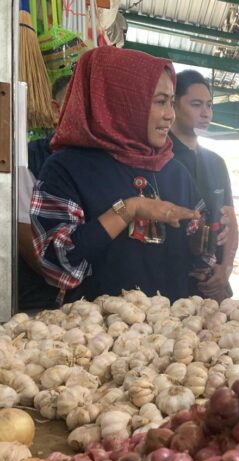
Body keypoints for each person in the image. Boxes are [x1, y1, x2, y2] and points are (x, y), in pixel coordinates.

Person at [32, 46, 210, 303]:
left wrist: (206, 236)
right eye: (160, 102)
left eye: (171, 102)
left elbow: (196, 262)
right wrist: (128, 209)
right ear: (120, 101)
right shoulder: (67, 167)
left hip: (170, 337)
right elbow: (57, 266)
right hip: (96, 336)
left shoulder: (174, 171)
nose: (170, 115)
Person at [170, 70, 238, 302]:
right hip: (168, 282)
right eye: (196, 104)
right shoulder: (160, 157)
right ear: (174, 104)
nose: (206, 113)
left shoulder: (216, 162)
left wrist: (225, 268)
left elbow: (230, 218)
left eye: (209, 105)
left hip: (210, 283)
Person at [17, 75, 71, 310]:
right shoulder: (29, 159)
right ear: (56, 110)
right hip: (42, 299)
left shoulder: (103, 162)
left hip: (94, 300)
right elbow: (26, 236)